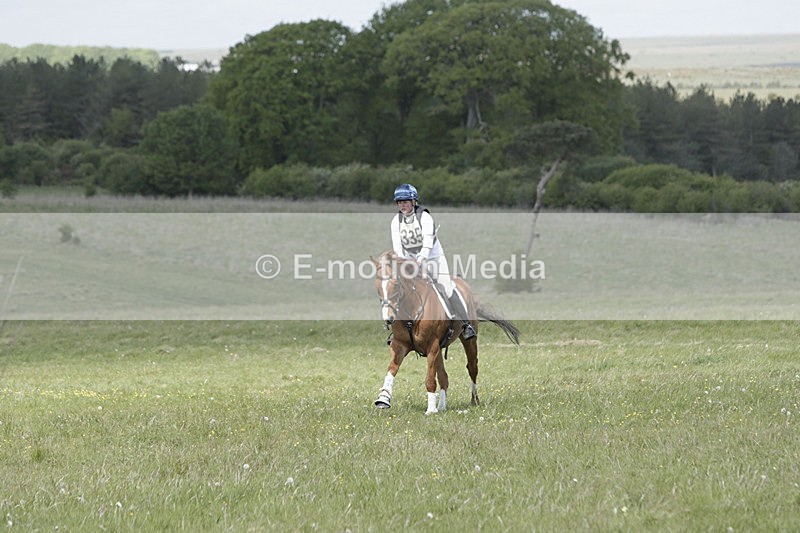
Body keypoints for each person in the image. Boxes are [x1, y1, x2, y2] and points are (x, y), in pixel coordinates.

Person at [390, 183, 477, 340]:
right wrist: (404, 262)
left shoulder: (424, 217)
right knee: (402, 288)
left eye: (405, 202)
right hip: (410, 259)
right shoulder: (396, 221)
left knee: (447, 287)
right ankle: (398, 330)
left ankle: (465, 325)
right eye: (399, 203)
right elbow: (397, 247)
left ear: (413, 201)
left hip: (433, 258)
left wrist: (421, 259)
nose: (402, 206)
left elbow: (428, 242)